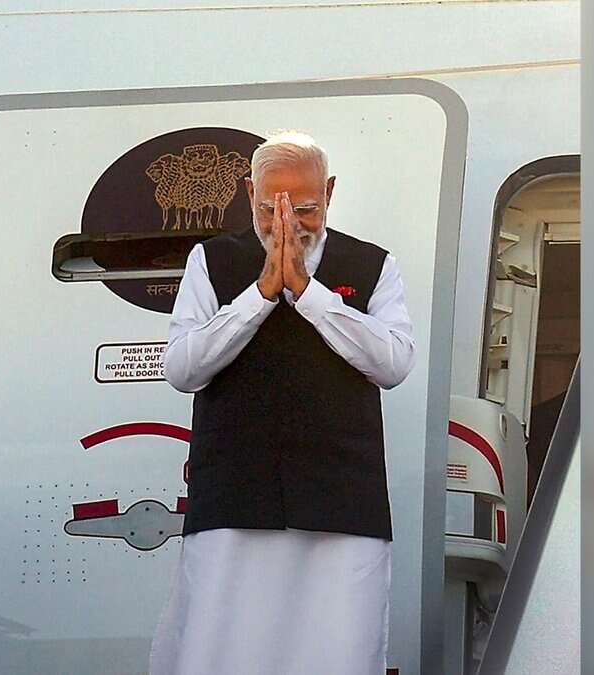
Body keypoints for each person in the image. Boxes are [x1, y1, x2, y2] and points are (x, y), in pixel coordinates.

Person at [148, 130, 417, 674]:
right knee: (222, 647)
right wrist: (261, 296)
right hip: (235, 497)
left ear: (331, 192)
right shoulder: (214, 261)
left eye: (306, 206)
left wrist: (310, 294)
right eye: (271, 206)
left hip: (341, 503)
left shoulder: (372, 265)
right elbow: (182, 368)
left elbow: (394, 364)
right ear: (249, 193)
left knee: (335, 648)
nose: (287, 220)